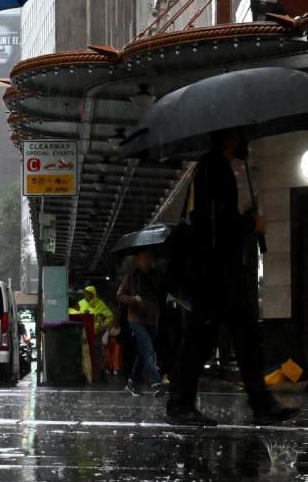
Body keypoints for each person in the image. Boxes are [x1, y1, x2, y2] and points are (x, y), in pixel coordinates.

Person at [166, 128, 298, 427]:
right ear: (231, 138)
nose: (246, 141)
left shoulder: (213, 166)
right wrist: (251, 224)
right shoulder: (214, 167)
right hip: (215, 272)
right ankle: (180, 404)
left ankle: (259, 402)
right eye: (242, 136)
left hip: (217, 271)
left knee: (241, 336)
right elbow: (217, 222)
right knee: (205, 338)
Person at [118, 250, 163, 396]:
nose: (147, 260)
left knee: (143, 351)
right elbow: (120, 295)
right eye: (144, 257)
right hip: (136, 319)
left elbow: (161, 292)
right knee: (148, 349)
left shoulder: (156, 275)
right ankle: (157, 382)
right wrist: (133, 299)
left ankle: (132, 382)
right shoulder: (130, 277)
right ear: (138, 259)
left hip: (151, 318)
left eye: (149, 256)